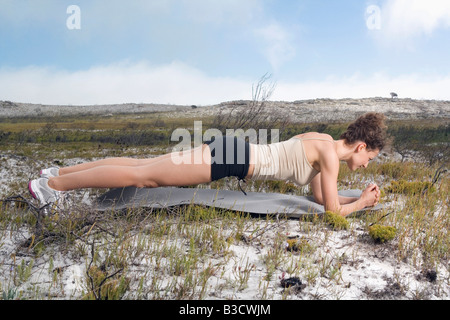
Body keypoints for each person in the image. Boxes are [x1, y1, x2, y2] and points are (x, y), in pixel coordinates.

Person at [29, 112, 387, 217]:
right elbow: (333, 215)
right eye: (368, 157)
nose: (366, 165)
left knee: (142, 166)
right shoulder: (328, 157)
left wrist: (346, 199)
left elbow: (322, 200)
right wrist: (362, 203)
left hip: (231, 151)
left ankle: (57, 174)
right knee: (145, 176)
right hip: (229, 158)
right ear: (360, 145)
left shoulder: (321, 140)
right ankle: (52, 189)